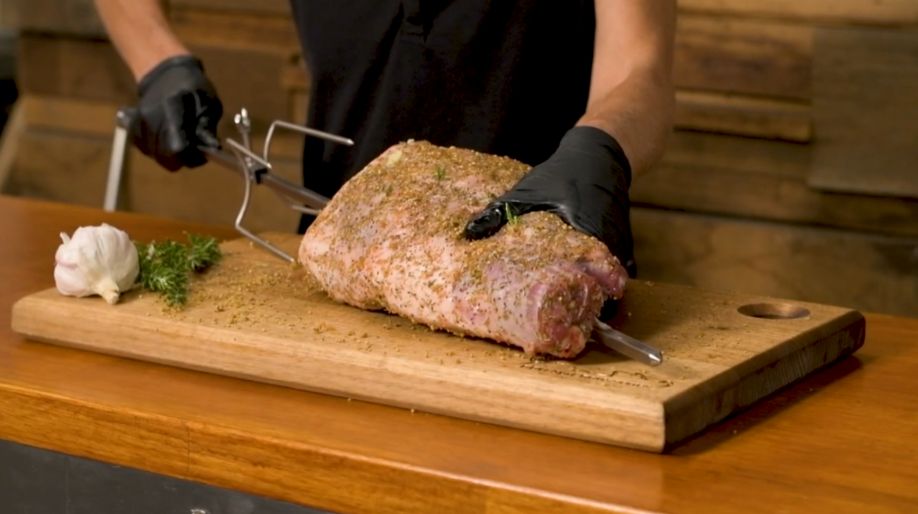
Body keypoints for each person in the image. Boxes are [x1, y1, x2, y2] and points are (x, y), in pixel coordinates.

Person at [93, 1, 675, 276]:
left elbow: (638, 68)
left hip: (540, 274)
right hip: (334, 266)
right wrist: (158, 60)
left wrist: (600, 146)